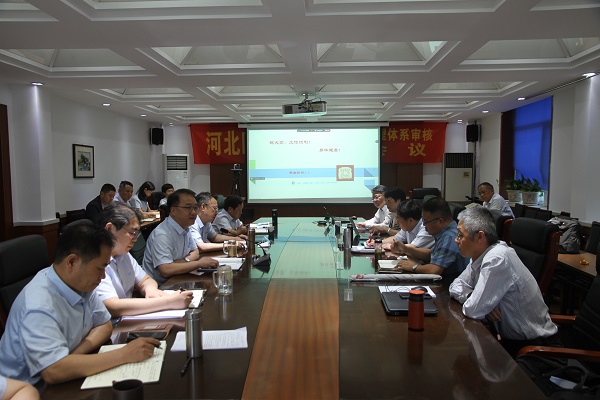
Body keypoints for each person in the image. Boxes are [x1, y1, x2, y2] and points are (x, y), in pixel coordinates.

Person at [0, 223, 160, 388]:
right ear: (72, 262)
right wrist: (123, 354)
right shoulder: (38, 305)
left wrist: (73, 356)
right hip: (32, 389)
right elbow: (53, 371)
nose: (103, 276)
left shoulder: (79, 282)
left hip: (69, 374)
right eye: (99, 268)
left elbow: (104, 325)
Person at [449, 206, 559, 357]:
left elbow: (473, 310)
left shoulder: (497, 258)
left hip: (536, 350)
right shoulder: (479, 255)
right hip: (512, 344)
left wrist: (480, 303)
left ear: (480, 237)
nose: (456, 240)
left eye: (460, 235)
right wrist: (472, 296)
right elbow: (455, 285)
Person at [96, 203, 193, 320]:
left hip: (128, 319)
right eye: (132, 233)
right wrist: (168, 302)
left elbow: (145, 280)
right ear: (110, 229)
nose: (135, 239)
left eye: (137, 233)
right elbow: (112, 307)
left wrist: (150, 290)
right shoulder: (94, 259)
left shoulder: (123, 254)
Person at [142, 189, 218, 286]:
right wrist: (199, 264)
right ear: (173, 210)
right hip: (162, 287)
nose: (194, 212)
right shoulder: (162, 234)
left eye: (195, 207)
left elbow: (195, 252)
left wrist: (180, 262)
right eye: (188, 207)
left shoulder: (185, 227)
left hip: (181, 278)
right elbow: (166, 270)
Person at [393, 196, 469, 280]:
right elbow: (432, 254)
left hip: (448, 283)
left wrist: (414, 267)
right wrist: (406, 249)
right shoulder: (444, 232)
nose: (424, 225)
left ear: (440, 221)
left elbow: (434, 270)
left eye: (426, 221)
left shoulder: (449, 236)